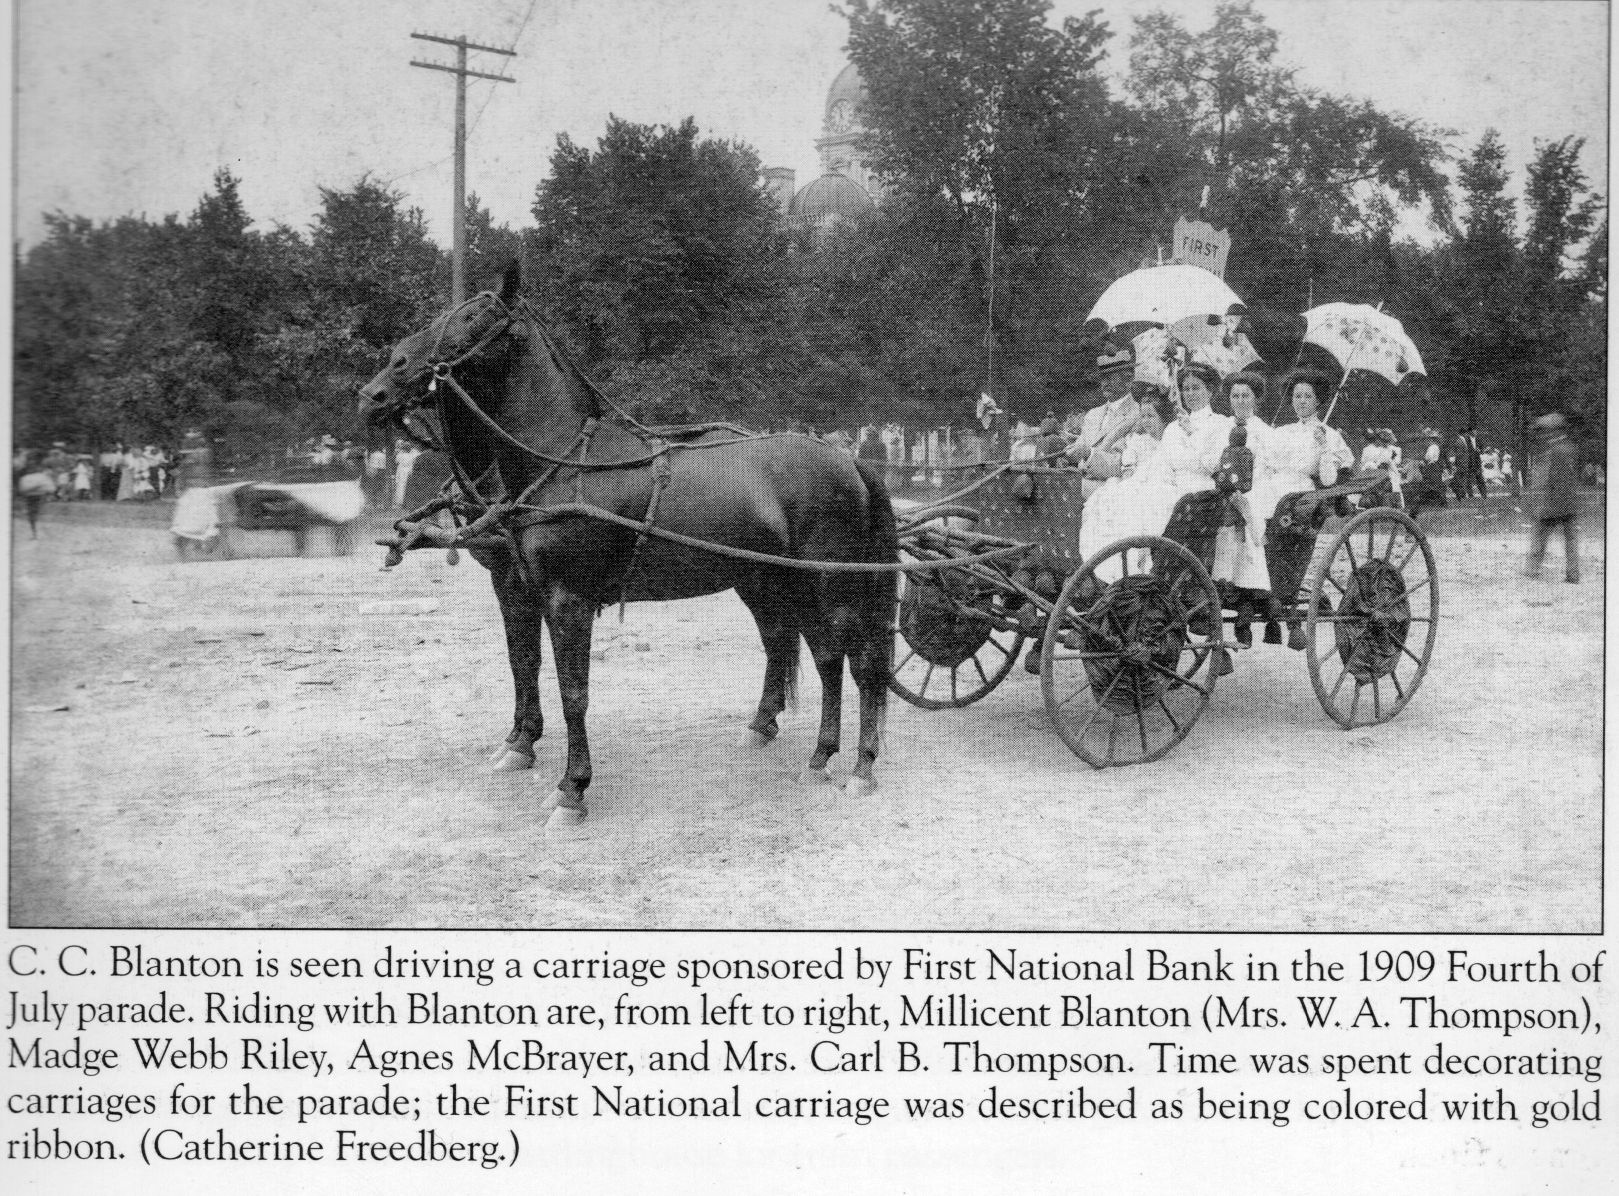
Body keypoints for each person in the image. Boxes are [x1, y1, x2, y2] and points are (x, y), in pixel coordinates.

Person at [1076, 392, 1180, 581]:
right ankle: (1106, 565)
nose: (1146, 421)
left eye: (1151, 416)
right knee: (1109, 503)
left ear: (1163, 417)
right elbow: (1128, 471)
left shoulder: (1172, 440)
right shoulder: (1138, 442)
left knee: (1145, 507)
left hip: (1162, 488)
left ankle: (1134, 565)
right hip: (1138, 485)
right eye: (1143, 416)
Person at [1065, 347, 1141, 497]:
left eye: (1110, 377)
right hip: (1081, 483)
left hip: (1112, 489)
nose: (1104, 383)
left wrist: (1089, 454)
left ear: (1128, 380)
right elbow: (1078, 451)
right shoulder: (1092, 415)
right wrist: (1067, 458)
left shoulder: (1138, 415)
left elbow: (1123, 465)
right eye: (1103, 378)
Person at [1524, 412, 1579, 584]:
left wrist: (1538, 502)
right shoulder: (1571, 448)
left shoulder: (1553, 451)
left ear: (1554, 431)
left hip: (1553, 503)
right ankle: (1573, 574)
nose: (1543, 435)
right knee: (1571, 540)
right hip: (1570, 502)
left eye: (1546, 431)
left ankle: (1532, 570)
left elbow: (1546, 479)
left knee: (1539, 535)